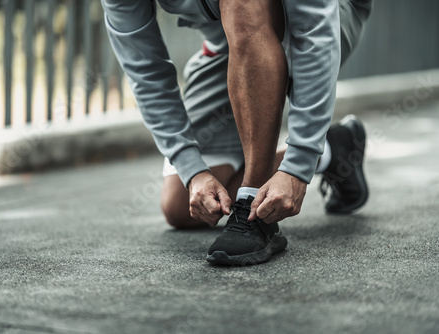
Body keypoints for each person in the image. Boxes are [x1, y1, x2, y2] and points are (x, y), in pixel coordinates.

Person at [100, 0, 373, 265]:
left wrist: (299, 165)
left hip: (324, 18)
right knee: (182, 206)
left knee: (241, 3)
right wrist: (193, 171)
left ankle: (251, 206)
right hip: (229, 43)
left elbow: (315, 30)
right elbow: (146, 71)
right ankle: (333, 150)